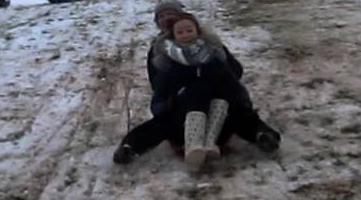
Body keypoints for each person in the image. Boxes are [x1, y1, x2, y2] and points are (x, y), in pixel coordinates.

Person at [114, 11, 280, 170]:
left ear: (198, 32)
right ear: (173, 36)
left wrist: (240, 102)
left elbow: (232, 83)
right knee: (163, 122)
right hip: (183, 123)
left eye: (189, 30)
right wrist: (171, 104)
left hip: (219, 119)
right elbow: (160, 96)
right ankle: (130, 147)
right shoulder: (167, 63)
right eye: (180, 32)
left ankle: (263, 136)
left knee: (238, 113)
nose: (185, 35)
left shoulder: (214, 55)